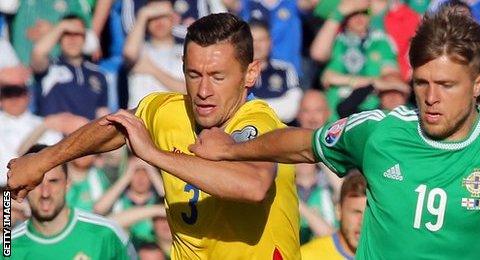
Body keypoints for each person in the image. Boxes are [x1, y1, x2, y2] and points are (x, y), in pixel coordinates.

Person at [186, 6, 480, 259]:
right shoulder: (380, 131)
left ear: (479, 83)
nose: (431, 97)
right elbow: (302, 144)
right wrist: (229, 149)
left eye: (446, 86)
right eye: (422, 83)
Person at [7, 13, 299, 259]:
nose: (203, 91)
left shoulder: (259, 122)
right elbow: (117, 127)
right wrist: (43, 160)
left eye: (218, 76)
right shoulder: (170, 110)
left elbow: (253, 185)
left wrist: (156, 155)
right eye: (193, 74)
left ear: (250, 74)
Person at [10, 144, 136, 259]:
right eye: (36, 184)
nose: (45, 193)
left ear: (67, 183)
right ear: (24, 188)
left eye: (53, 181)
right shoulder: (7, 249)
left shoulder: (107, 235)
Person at [31, 14, 109, 120]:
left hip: (87, 134)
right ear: (58, 38)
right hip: (53, 135)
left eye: (77, 34)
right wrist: (62, 26)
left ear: (85, 38)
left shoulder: (98, 74)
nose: (72, 39)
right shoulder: (49, 68)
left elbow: (102, 114)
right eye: (66, 33)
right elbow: (38, 53)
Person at [124, 0, 186, 108]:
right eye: (152, 17)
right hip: (139, 120)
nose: (159, 22)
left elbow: (188, 90)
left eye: (163, 16)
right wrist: (143, 14)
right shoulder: (140, 50)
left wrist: (153, 70)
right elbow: (129, 53)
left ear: (175, 18)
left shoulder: (185, 51)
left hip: (174, 118)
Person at [301, 171, 367, 260]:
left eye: (368, 214)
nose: (362, 221)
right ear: (338, 211)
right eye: (356, 212)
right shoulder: (306, 256)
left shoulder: (388, 254)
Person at [249, 21, 303, 123]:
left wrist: (255, 108)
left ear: (270, 42)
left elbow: (292, 109)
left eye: (261, 40)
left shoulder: (285, 69)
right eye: (252, 40)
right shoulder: (238, 72)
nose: (256, 45)